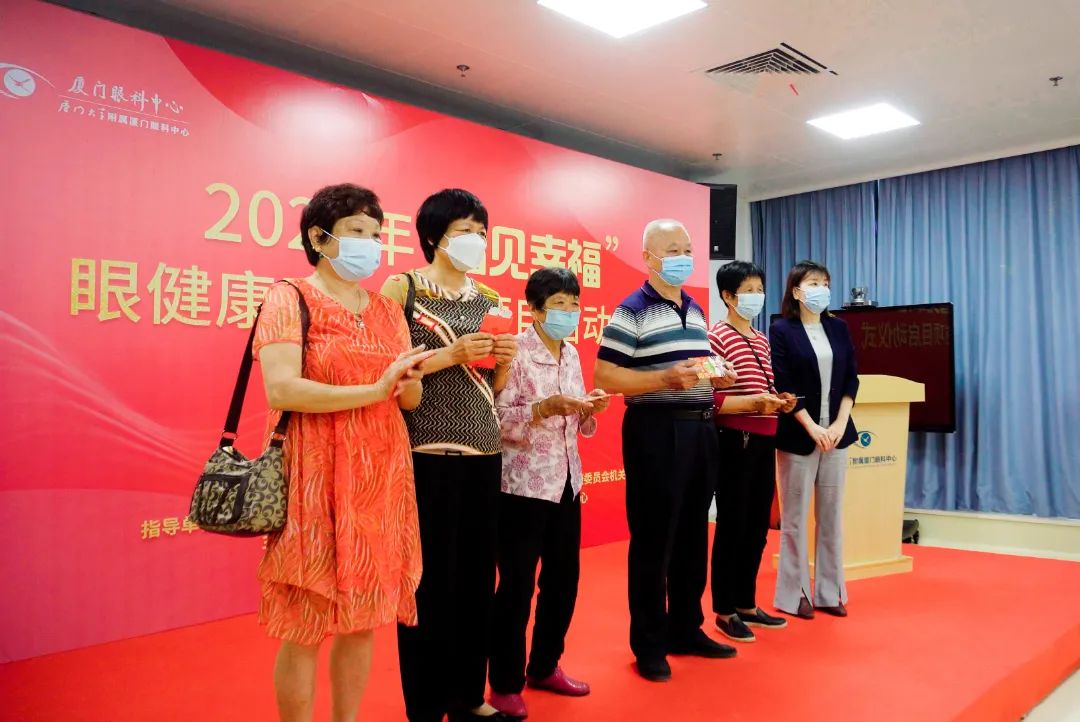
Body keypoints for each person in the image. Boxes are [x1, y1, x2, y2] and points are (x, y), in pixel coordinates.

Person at [254, 183, 433, 722]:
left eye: (376, 234)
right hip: (313, 471)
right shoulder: (289, 297)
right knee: (305, 623)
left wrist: (407, 380)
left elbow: (409, 400)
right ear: (318, 237)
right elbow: (281, 389)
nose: (370, 245)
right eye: (357, 231)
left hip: (380, 473)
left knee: (363, 619)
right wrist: (375, 389)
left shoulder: (387, 310)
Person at [381, 188, 517, 722]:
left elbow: (495, 386)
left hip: (485, 448)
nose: (476, 240)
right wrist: (451, 354)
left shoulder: (489, 297)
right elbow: (391, 369)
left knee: (478, 580)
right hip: (425, 452)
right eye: (465, 230)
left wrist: (503, 360)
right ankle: (426, 703)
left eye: (481, 231)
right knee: (428, 581)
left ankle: (469, 695)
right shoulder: (404, 287)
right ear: (434, 234)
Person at [594, 219, 738, 683]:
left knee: (694, 535)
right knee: (654, 539)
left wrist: (717, 373)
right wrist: (663, 378)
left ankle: (686, 629)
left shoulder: (695, 309)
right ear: (648, 257)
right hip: (656, 430)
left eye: (687, 248)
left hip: (701, 427)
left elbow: (694, 367)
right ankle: (649, 643)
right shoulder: (631, 310)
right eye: (672, 249)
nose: (683, 257)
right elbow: (605, 375)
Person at [488, 268, 610, 719]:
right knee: (516, 587)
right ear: (535, 308)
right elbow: (496, 417)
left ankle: (544, 665)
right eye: (560, 304)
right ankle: (505, 683)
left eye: (574, 304)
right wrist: (544, 408)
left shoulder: (572, 352)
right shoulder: (514, 351)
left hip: (566, 484)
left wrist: (589, 407)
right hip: (521, 486)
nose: (570, 312)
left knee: (563, 581)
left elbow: (574, 421)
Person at [707, 261, 797, 643]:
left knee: (758, 525)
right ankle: (725, 610)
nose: (756, 296)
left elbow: (766, 385)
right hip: (735, 439)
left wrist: (779, 399)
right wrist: (753, 403)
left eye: (760, 289)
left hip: (765, 438)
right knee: (733, 524)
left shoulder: (760, 339)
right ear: (728, 296)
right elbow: (709, 396)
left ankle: (746, 602)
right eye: (748, 290)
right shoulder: (715, 337)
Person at [770, 260, 860, 620]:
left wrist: (838, 424)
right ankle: (793, 595)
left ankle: (829, 591)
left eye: (825, 283)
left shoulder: (839, 328)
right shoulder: (782, 329)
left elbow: (851, 378)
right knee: (794, 519)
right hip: (799, 433)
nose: (821, 289)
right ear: (796, 291)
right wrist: (812, 427)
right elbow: (784, 382)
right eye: (813, 283)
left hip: (836, 434)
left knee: (831, 516)